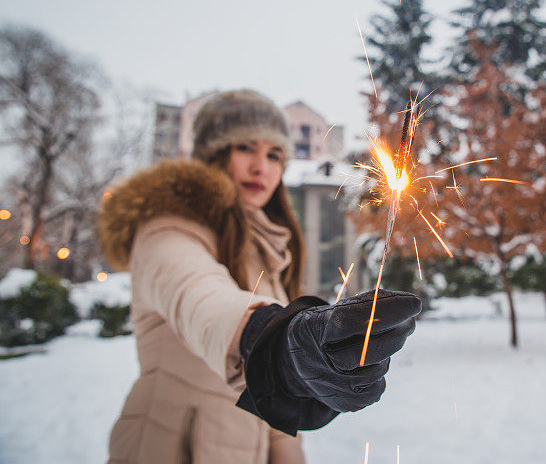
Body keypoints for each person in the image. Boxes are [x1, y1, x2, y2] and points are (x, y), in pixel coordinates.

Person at [98, 89, 420, 463]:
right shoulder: (167, 229)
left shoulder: (273, 248)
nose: (261, 167)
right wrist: (273, 341)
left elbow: (273, 416)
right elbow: (201, 298)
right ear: (213, 155)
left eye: (273, 155)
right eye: (245, 148)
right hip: (169, 444)